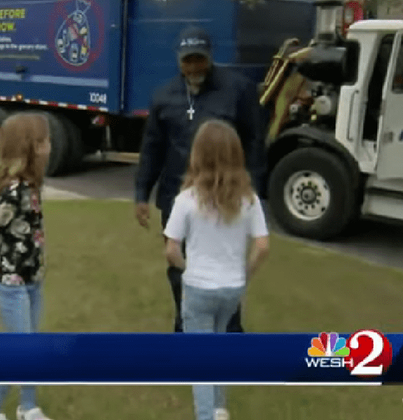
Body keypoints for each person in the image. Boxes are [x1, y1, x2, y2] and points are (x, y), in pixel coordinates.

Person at [134, 25, 267, 333]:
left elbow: (255, 142)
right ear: (178, 60)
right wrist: (142, 193)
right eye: (187, 61)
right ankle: (186, 323)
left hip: (227, 197)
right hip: (177, 197)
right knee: (178, 264)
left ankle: (230, 327)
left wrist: (253, 190)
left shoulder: (239, 90)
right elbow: (152, 148)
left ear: (210, 56)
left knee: (226, 263)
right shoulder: (164, 95)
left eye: (199, 59)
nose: (194, 67)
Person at [163, 120, 270, 420]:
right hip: (232, 288)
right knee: (220, 346)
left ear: (198, 155)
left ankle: (207, 415)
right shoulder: (249, 200)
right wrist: (244, 275)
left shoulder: (185, 200)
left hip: (198, 287)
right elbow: (262, 246)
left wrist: (187, 269)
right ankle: (220, 408)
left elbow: (171, 249)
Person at [0, 113, 53, 420]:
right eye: (45, 141)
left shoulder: (31, 186)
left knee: (32, 346)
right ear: (30, 147)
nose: (49, 147)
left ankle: (28, 406)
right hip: (12, 282)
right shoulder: (13, 191)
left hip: (32, 277)